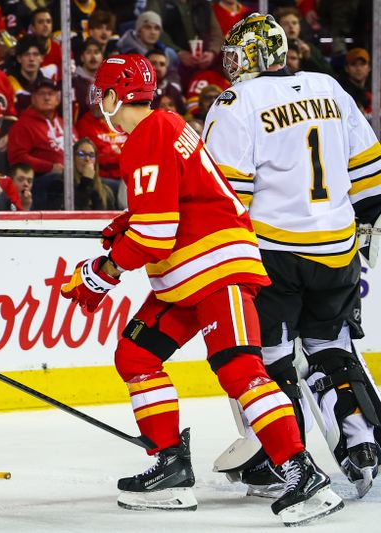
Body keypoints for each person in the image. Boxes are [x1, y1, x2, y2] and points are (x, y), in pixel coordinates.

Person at [60, 53, 343, 525]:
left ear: (112, 95)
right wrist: (128, 225)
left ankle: (300, 472)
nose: (100, 102)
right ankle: (170, 466)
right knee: (136, 355)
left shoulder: (147, 136)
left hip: (215, 268)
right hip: (187, 274)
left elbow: (155, 235)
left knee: (240, 369)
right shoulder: (168, 124)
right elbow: (182, 199)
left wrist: (102, 271)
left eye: (102, 93)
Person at [204, 13, 381, 499]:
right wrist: (362, 225)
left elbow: (224, 198)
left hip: (272, 255)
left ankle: (283, 462)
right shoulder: (328, 86)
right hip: (338, 250)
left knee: (271, 358)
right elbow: (369, 173)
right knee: (331, 348)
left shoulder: (234, 102)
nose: (232, 62)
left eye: (237, 53)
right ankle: (361, 443)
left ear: (253, 56)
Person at [7, 78, 74, 210]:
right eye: (41, 93)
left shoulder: (65, 122)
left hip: (71, 175)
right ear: (33, 99)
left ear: (58, 99)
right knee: (58, 180)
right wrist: (50, 167)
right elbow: (17, 158)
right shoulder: (23, 124)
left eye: (51, 93)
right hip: (42, 179)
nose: (47, 97)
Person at [45, 138, 115, 210]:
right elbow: (70, 214)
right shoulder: (59, 186)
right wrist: (86, 182)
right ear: (73, 158)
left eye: (91, 155)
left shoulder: (105, 191)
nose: (87, 159)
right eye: (82, 154)